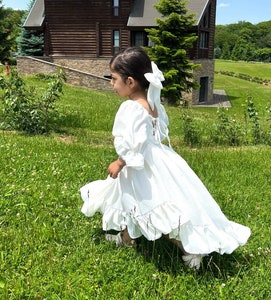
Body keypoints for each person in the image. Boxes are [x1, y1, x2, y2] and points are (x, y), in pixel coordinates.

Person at [80, 47, 251, 269]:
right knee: (135, 202)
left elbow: (136, 142)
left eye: (114, 79)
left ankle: (190, 249)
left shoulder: (131, 108)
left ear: (130, 82)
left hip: (140, 164)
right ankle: (126, 238)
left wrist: (120, 162)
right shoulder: (152, 105)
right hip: (158, 158)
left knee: (154, 207)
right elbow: (155, 134)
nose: (111, 84)